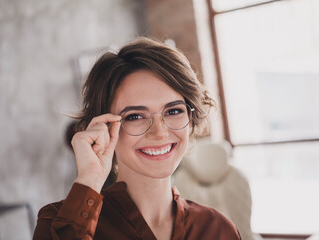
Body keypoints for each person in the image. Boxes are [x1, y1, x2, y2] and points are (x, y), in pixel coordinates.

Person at [33, 37, 241, 240]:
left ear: (191, 118)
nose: (159, 132)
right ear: (103, 127)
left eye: (174, 111)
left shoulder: (217, 229)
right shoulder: (60, 224)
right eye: (135, 116)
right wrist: (90, 179)